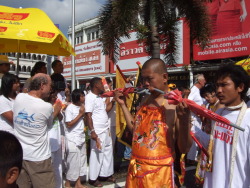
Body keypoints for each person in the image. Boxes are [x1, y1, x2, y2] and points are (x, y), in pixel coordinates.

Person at [114, 58, 192, 187]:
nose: (145, 83)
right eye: (143, 79)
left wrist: (184, 121)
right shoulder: (145, 99)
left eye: (149, 79)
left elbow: (185, 148)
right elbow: (136, 132)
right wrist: (122, 106)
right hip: (136, 171)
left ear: (165, 77)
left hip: (159, 176)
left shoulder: (173, 106)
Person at [194, 64, 250, 188]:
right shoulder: (218, 114)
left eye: (224, 85)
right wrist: (188, 123)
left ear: (240, 87)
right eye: (217, 85)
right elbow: (214, 145)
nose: (219, 90)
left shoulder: (248, 119)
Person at [13, 73, 55, 188]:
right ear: (42, 86)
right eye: (50, 86)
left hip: (20, 155)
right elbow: (49, 125)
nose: (50, 90)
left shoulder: (19, 97)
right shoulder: (46, 107)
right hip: (39, 159)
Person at [85, 77, 115, 187]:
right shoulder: (90, 97)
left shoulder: (99, 97)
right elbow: (88, 115)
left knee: (107, 152)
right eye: (102, 84)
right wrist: (92, 131)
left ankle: (104, 174)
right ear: (96, 85)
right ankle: (93, 178)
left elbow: (104, 111)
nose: (104, 86)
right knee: (96, 154)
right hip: (97, 131)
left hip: (105, 129)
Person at [64, 89, 88, 188]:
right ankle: (68, 184)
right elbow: (68, 124)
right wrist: (80, 114)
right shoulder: (70, 108)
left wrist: (84, 115)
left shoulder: (82, 107)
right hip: (72, 138)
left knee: (80, 161)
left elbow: (85, 122)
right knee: (72, 162)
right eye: (82, 96)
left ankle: (78, 183)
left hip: (81, 137)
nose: (84, 98)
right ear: (77, 97)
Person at [187, 74, 206, 164]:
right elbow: (187, 102)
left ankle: (192, 158)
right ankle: (191, 159)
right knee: (195, 138)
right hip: (193, 119)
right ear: (200, 81)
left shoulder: (197, 91)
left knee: (196, 139)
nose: (205, 82)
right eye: (204, 80)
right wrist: (198, 110)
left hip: (197, 119)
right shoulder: (194, 90)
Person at [47, 88, 63, 188]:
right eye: (54, 96)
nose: (56, 98)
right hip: (49, 143)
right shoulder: (46, 107)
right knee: (50, 169)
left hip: (57, 142)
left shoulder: (54, 106)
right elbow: (47, 122)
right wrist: (56, 111)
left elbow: (61, 118)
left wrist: (59, 110)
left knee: (58, 168)